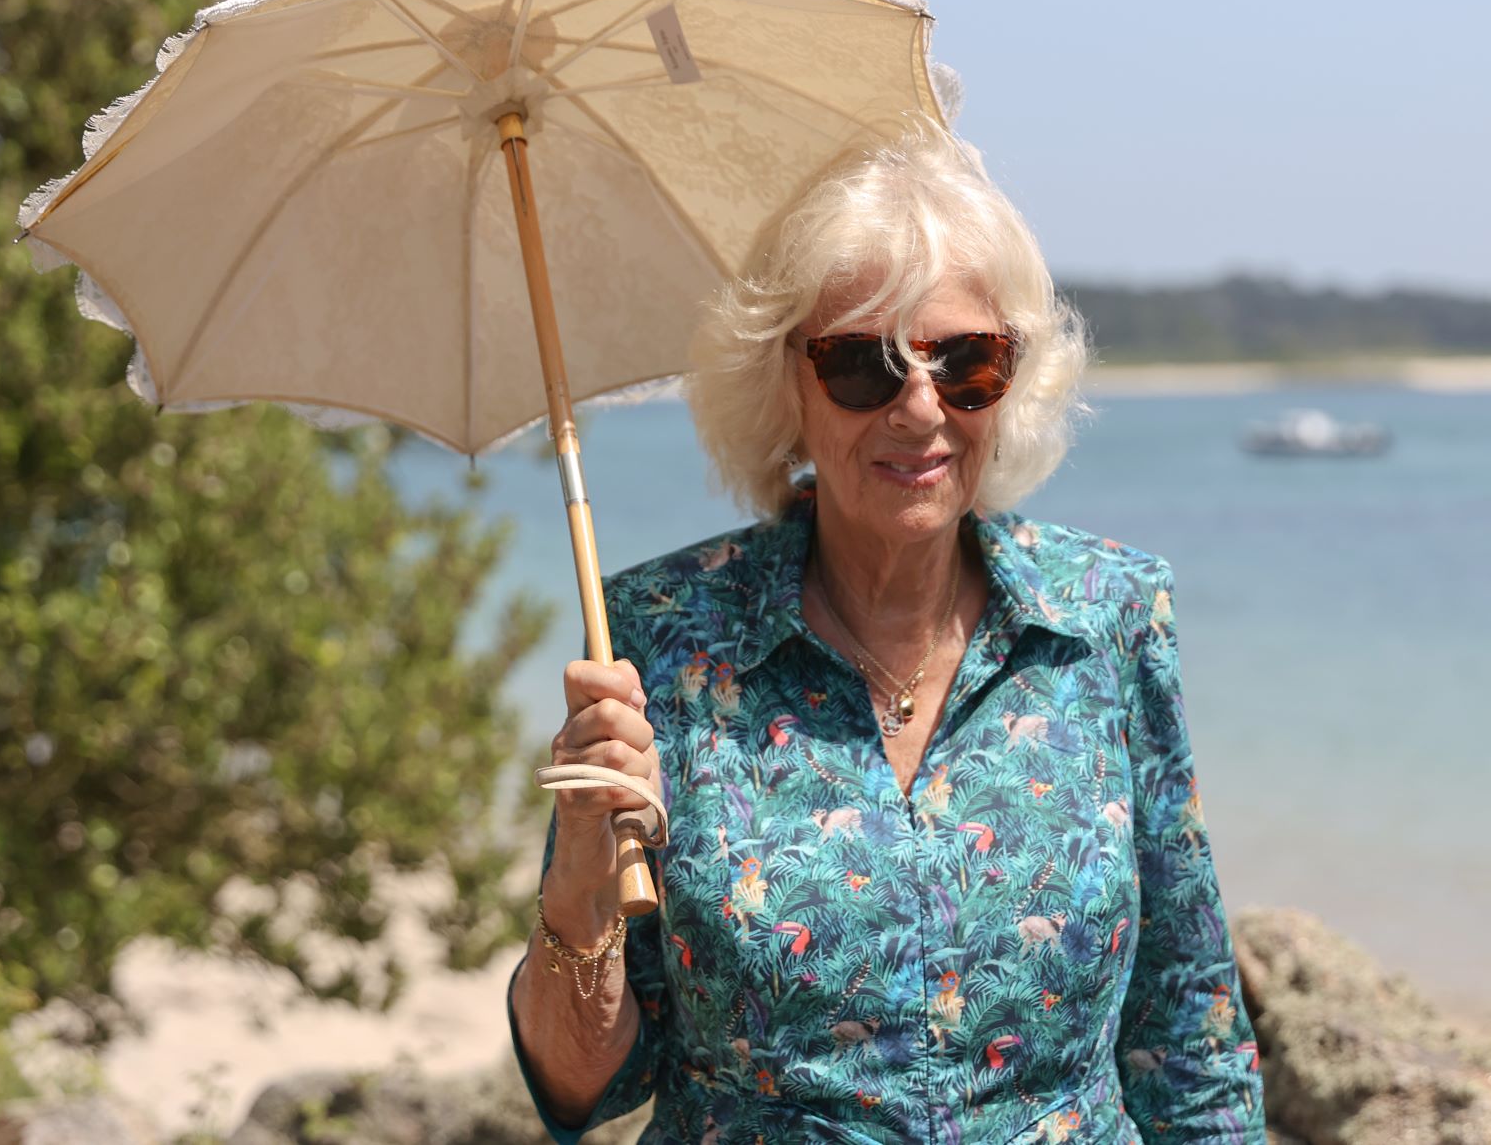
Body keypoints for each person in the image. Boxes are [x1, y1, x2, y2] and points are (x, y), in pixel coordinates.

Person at [507, 124, 1264, 1143]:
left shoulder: (1107, 617)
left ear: (1014, 377)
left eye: (965, 363)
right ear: (785, 381)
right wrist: (579, 888)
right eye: (862, 365)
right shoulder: (659, 640)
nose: (918, 407)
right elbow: (586, 1088)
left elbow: (1186, 1031)